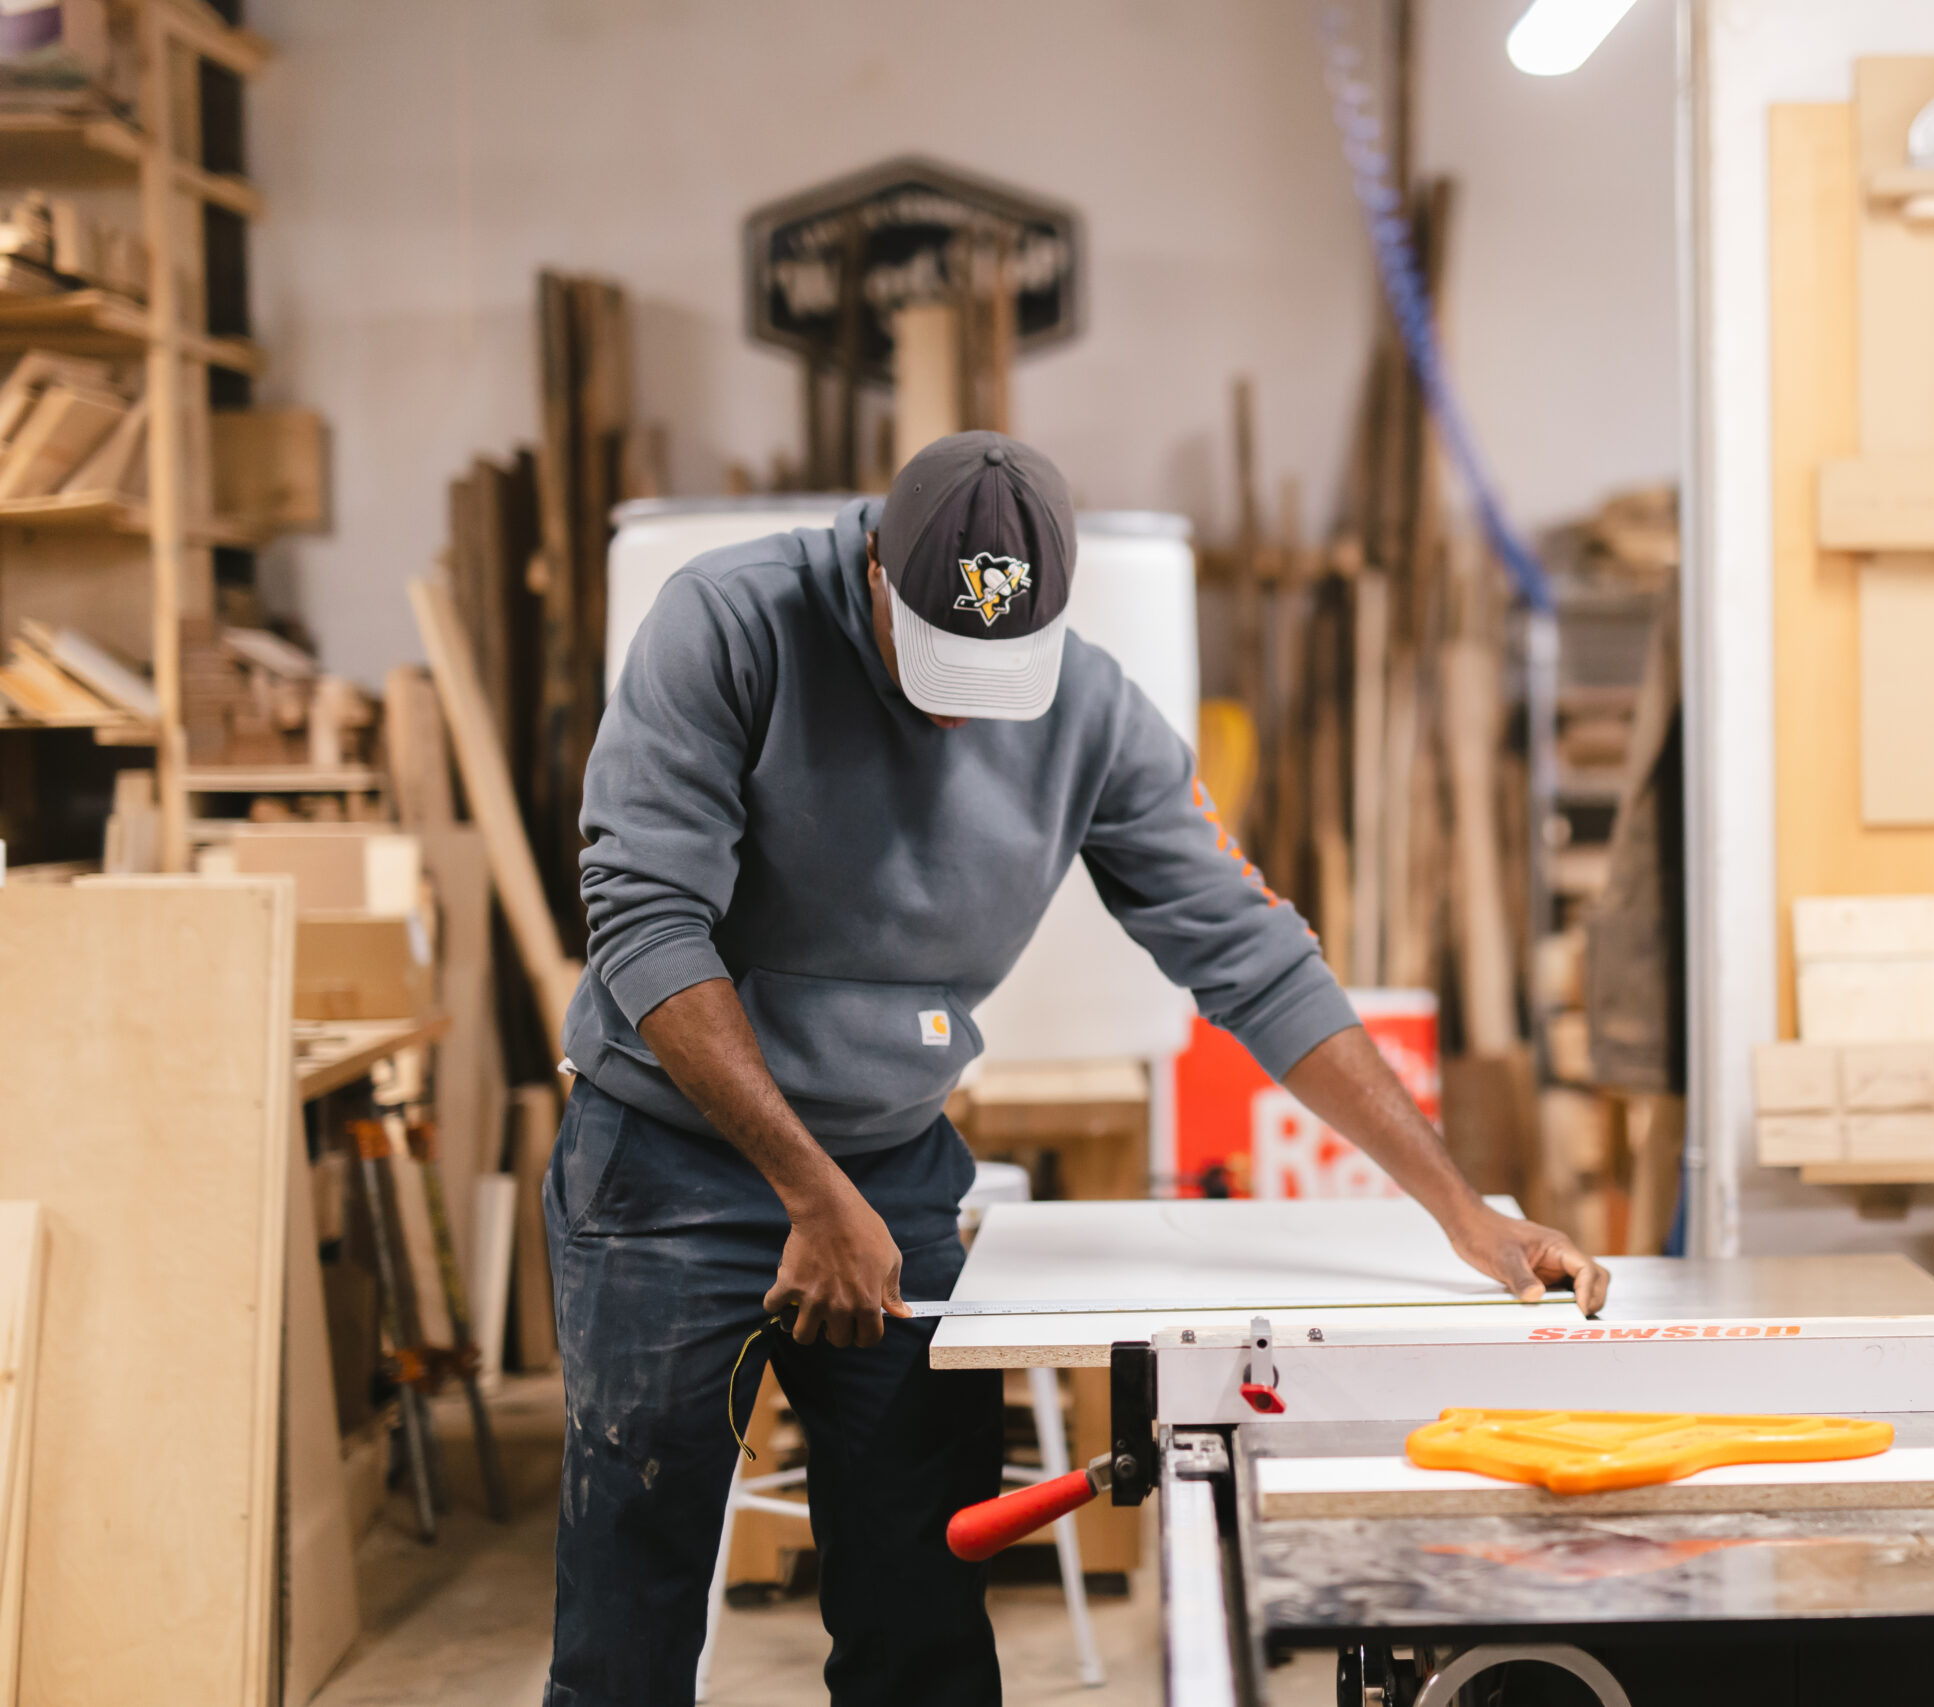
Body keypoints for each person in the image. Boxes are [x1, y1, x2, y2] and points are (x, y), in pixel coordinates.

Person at [544, 430, 1609, 1706]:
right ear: (876, 569)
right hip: (667, 1172)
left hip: (889, 1175)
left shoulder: (1090, 710)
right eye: (938, 660)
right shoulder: (726, 624)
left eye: (995, 672)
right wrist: (807, 1193)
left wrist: (1461, 1210)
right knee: (632, 1610)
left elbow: (1253, 960)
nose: (958, 706)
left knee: (920, 1610)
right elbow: (646, 924)